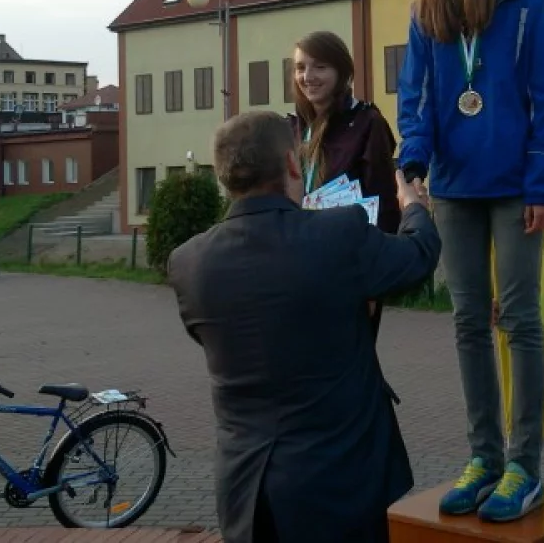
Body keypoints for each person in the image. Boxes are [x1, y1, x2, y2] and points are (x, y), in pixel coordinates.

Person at [166, 111, 440, 543]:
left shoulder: (187, 263)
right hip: (339, 486)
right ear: (293, 165)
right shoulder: (339, 234)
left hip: (247, 494)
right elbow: (418, 257)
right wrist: (415, 209)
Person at [396, 0, 544, 523]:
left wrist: (542, 184)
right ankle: (483, 458)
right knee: (467, 321)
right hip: (454, 188)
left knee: (518, 320)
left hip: (516, 186)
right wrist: (411, 158)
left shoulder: (526, 5)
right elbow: (416, 96)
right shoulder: (424, 13)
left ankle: (525, 465)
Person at [289, 31, 402, 337]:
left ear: (342, 72)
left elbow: (385, 209)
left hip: (350, 272)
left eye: (319, 67)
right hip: (302, 269)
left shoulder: (367, 124)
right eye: (300, 67)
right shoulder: (293, 129)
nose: (307, 76)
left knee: (350, 369)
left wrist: (372, 285)